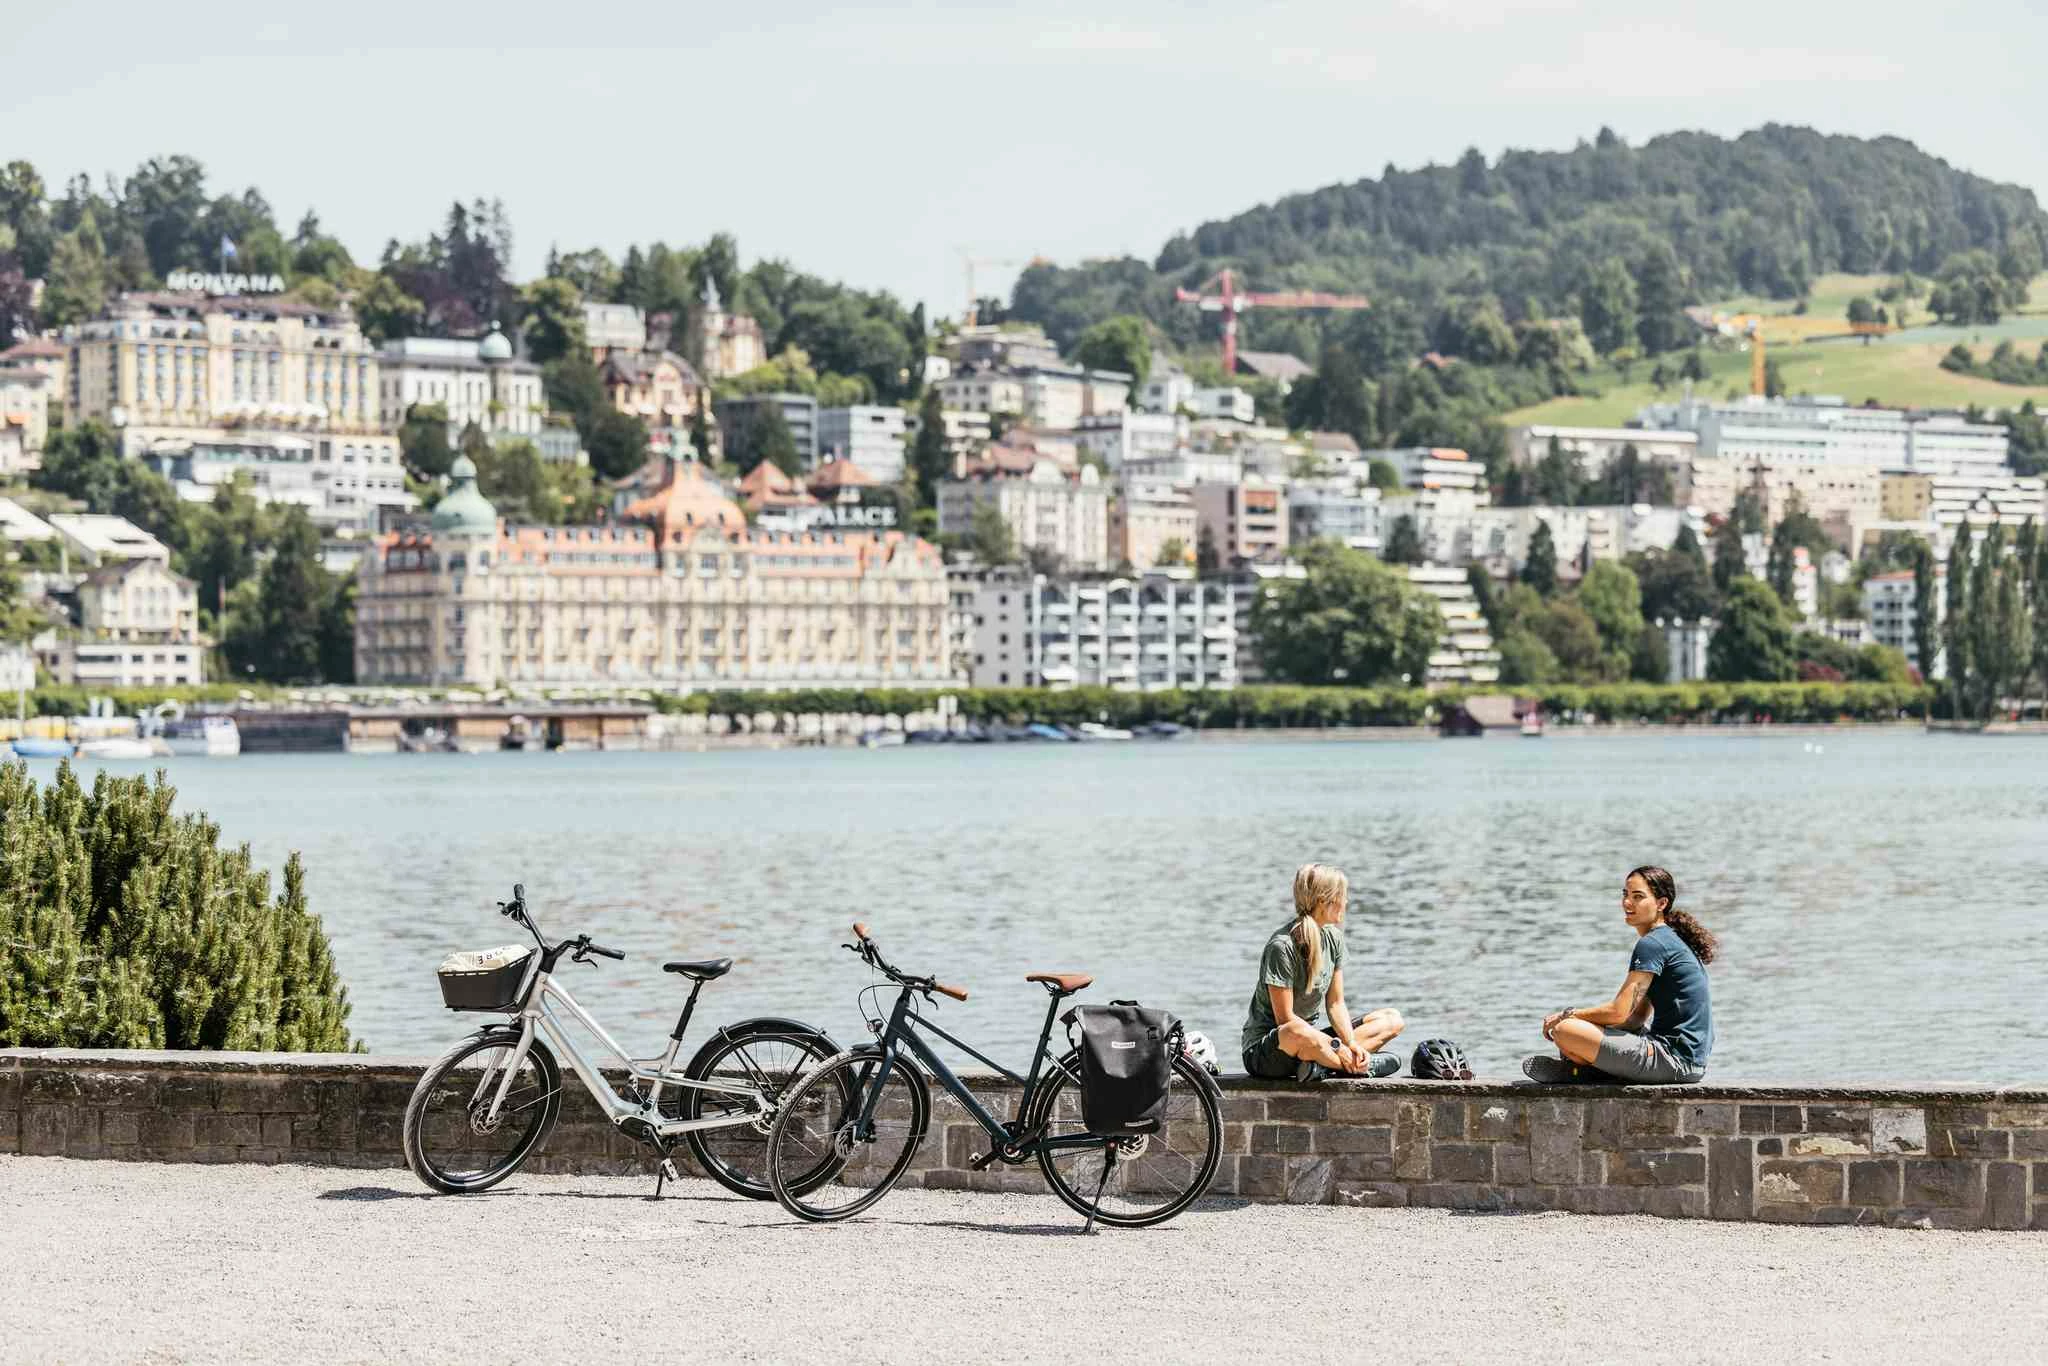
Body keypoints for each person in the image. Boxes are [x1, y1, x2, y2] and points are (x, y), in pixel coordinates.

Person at [1524, 865, 1716, 1085]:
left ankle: (1589, 1071)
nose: (1627, 902)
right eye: (1625, 894)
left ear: (1661, 903)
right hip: (1691, 1064)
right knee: (1577, 1036)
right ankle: (1594, 1069)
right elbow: (1635, 1018)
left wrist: (1569, 1015)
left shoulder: (1652, 944)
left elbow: (1618, 1012)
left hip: (1673, 1061)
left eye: (1638, 896)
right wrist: (1592, 1031)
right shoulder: (1668, 940)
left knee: (1565, 1030)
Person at [1241, 863, 1405, 1080]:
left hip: (1312, 1043)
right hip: (1268, 1051)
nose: (1346, 902)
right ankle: (1357, 1066)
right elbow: (1286, 1020)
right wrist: (1336, 1047)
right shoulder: (1281, 947)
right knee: (1296, 1031)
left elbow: (1335, 1004)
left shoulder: (1333, 938)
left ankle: (1323, 1066)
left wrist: (1351, 1043)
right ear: (1323, 901)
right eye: (1342, 896)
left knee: (1391, 1019)